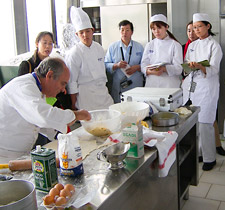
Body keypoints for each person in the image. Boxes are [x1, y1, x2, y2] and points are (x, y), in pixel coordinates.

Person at [0, 57, 91, 160]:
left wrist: (67, 136)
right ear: (50, 75)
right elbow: (43, 116)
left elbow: (44, 125)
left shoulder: (38, 91)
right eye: (63, 83)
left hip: (19, 154)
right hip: (4, 156)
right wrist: (76, 115)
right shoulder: (23, 87)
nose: (63, 90)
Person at [182, 13, 223, 170]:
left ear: (208, 26)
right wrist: (189, 66)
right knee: (194, 123)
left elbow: (214, 69)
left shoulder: (214, 45)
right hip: (193, 87)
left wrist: (200, 66)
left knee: (206, 122)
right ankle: (199, 153)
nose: (196, 30)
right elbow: (185, 64)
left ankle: (210, 158)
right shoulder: (192, 45)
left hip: (207, 87)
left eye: (199, 26)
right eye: (194, 27)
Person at [65, 7, 113, 111]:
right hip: (86, 96)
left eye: (87, 31)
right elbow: (72, 82)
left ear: (93, 31)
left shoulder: (99, 47)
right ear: (76, 34)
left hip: (102, 93)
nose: (85, 35)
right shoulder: (74, 53)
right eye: (81, 32)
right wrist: (73, 104)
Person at [104, 20, 144, 103]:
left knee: (137, 108)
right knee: (120, 109)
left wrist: (137, 67)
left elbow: (145, 64)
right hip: (119, 84)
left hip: (135, 83)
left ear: (132, 32)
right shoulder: (112, 47)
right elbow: (106, 64)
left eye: (127, 30)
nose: (124, 33)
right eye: (122, 30)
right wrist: (116, 65)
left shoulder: (139, 47)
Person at [141, 14, 183, 88]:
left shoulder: (175, 45)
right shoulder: (149, 45)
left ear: (166, 27)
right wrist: (150, 71)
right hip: (152, 84)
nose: (156, 31)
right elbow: (143, 65)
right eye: (153, 29)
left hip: (169, 85)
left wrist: (164, 69)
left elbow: (179, 69)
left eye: (159, 28)